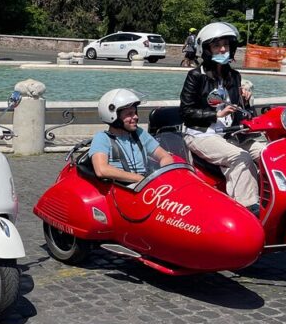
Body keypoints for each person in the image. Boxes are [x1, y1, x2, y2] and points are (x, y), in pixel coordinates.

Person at [179, 21, 265, 213]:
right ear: (207, 49)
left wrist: (247, 102)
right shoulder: (196, 75)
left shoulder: (234, 76)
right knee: (240, 157)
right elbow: (186, 111)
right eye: (217, 45)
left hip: (231, 134)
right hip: (201, 134)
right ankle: (247, 209)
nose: (223, 49)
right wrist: (215, 114)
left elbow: (241, 112)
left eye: (226, 44)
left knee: (269, 154)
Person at [89, 89, 174, 185]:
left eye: (135, 112)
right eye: (129, 114)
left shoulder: (139, 133)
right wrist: (139, 179)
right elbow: (101, 170)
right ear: (113, 117)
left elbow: (165, 156)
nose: (136, 117)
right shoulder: (102, 138)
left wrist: (165, 174)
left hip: (145, 186)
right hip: (121, 188)